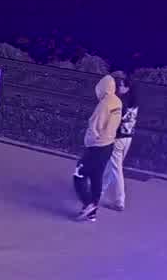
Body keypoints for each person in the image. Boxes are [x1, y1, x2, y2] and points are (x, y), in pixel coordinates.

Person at [73, 73, 123, 221]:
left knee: (79, 175)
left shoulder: (104, 104)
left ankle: (89, 205)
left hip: (96, 146)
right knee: (96, 177)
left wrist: (90, 140)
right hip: (108, 145)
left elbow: (94, 125)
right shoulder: (117, 102)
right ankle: (92, 212)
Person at [103, 72, 139, 212]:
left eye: (122, 86)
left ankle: (120, 200)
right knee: (111, 167)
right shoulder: (134, 101)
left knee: (116, 169)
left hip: (118, 138)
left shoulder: (121, 101)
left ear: (127, 88)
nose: (119, 88)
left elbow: (115, 119)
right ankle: (99, 191)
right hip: (128, 137)